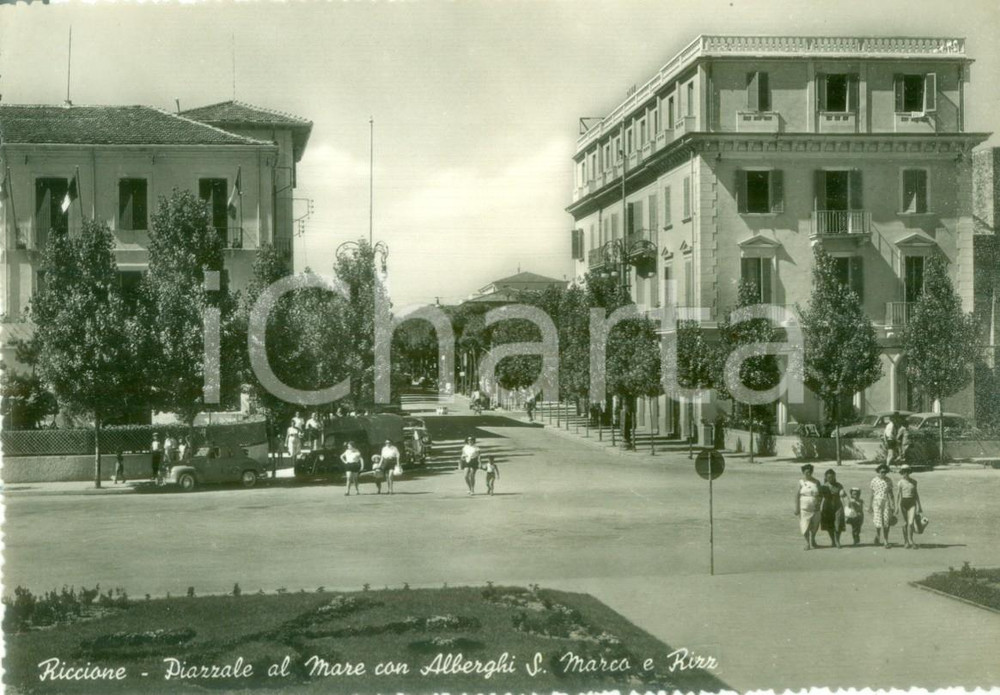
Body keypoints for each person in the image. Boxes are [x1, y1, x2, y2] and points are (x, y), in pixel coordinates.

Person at [868, 463, 896, 548]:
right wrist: (870, 506)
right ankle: (878, 536)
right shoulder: (874, 480)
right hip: (876, 502)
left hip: (886, 501)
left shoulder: (889, 480)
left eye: (885, 472)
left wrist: (893, 504)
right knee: (878, 521)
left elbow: (891, 493)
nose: (883, 473)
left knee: (886, 521)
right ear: (878, 472)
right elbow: (872, 494)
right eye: (881, 472)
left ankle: (886, 540)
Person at [896, 464, 923, 549]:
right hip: (903, 502)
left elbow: (916, 494)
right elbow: (898, 495)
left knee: (911, 523)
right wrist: (896, 507)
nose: (906, 473)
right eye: (904, 472)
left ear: (909, 472)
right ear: (902, 473)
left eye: (907, 472)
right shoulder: (900, 482)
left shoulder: (914, 482)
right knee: (905, 523)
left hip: (912, 503)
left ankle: (911, 540)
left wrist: (919, 506)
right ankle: (906, 541)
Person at [795, 464, 822, 550]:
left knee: (815, 525)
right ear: (803, 472)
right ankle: (807, 543)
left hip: (815, 507)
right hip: (804, 508)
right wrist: (797, 508)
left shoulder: (817, 482)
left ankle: (813, 539)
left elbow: (820, 495)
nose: (808, 473)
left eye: (810, 471)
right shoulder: (801, 482)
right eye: (806, 472)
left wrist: (819, 504)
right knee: (805, 525)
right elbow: (796, 496)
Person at [819, 468, 847, 548]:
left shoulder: (839, 485)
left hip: (838, 506)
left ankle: (837, 540)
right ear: (826, 477)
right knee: (829, 525)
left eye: (832, 477)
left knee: (838, 524)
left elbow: (844, 495)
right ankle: (833, 541)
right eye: (828, 477)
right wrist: (818, 506)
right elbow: (820, 497)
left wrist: (843, 493)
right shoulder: (824, 486)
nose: (830, 479)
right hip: (827, 506)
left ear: (834, 477)